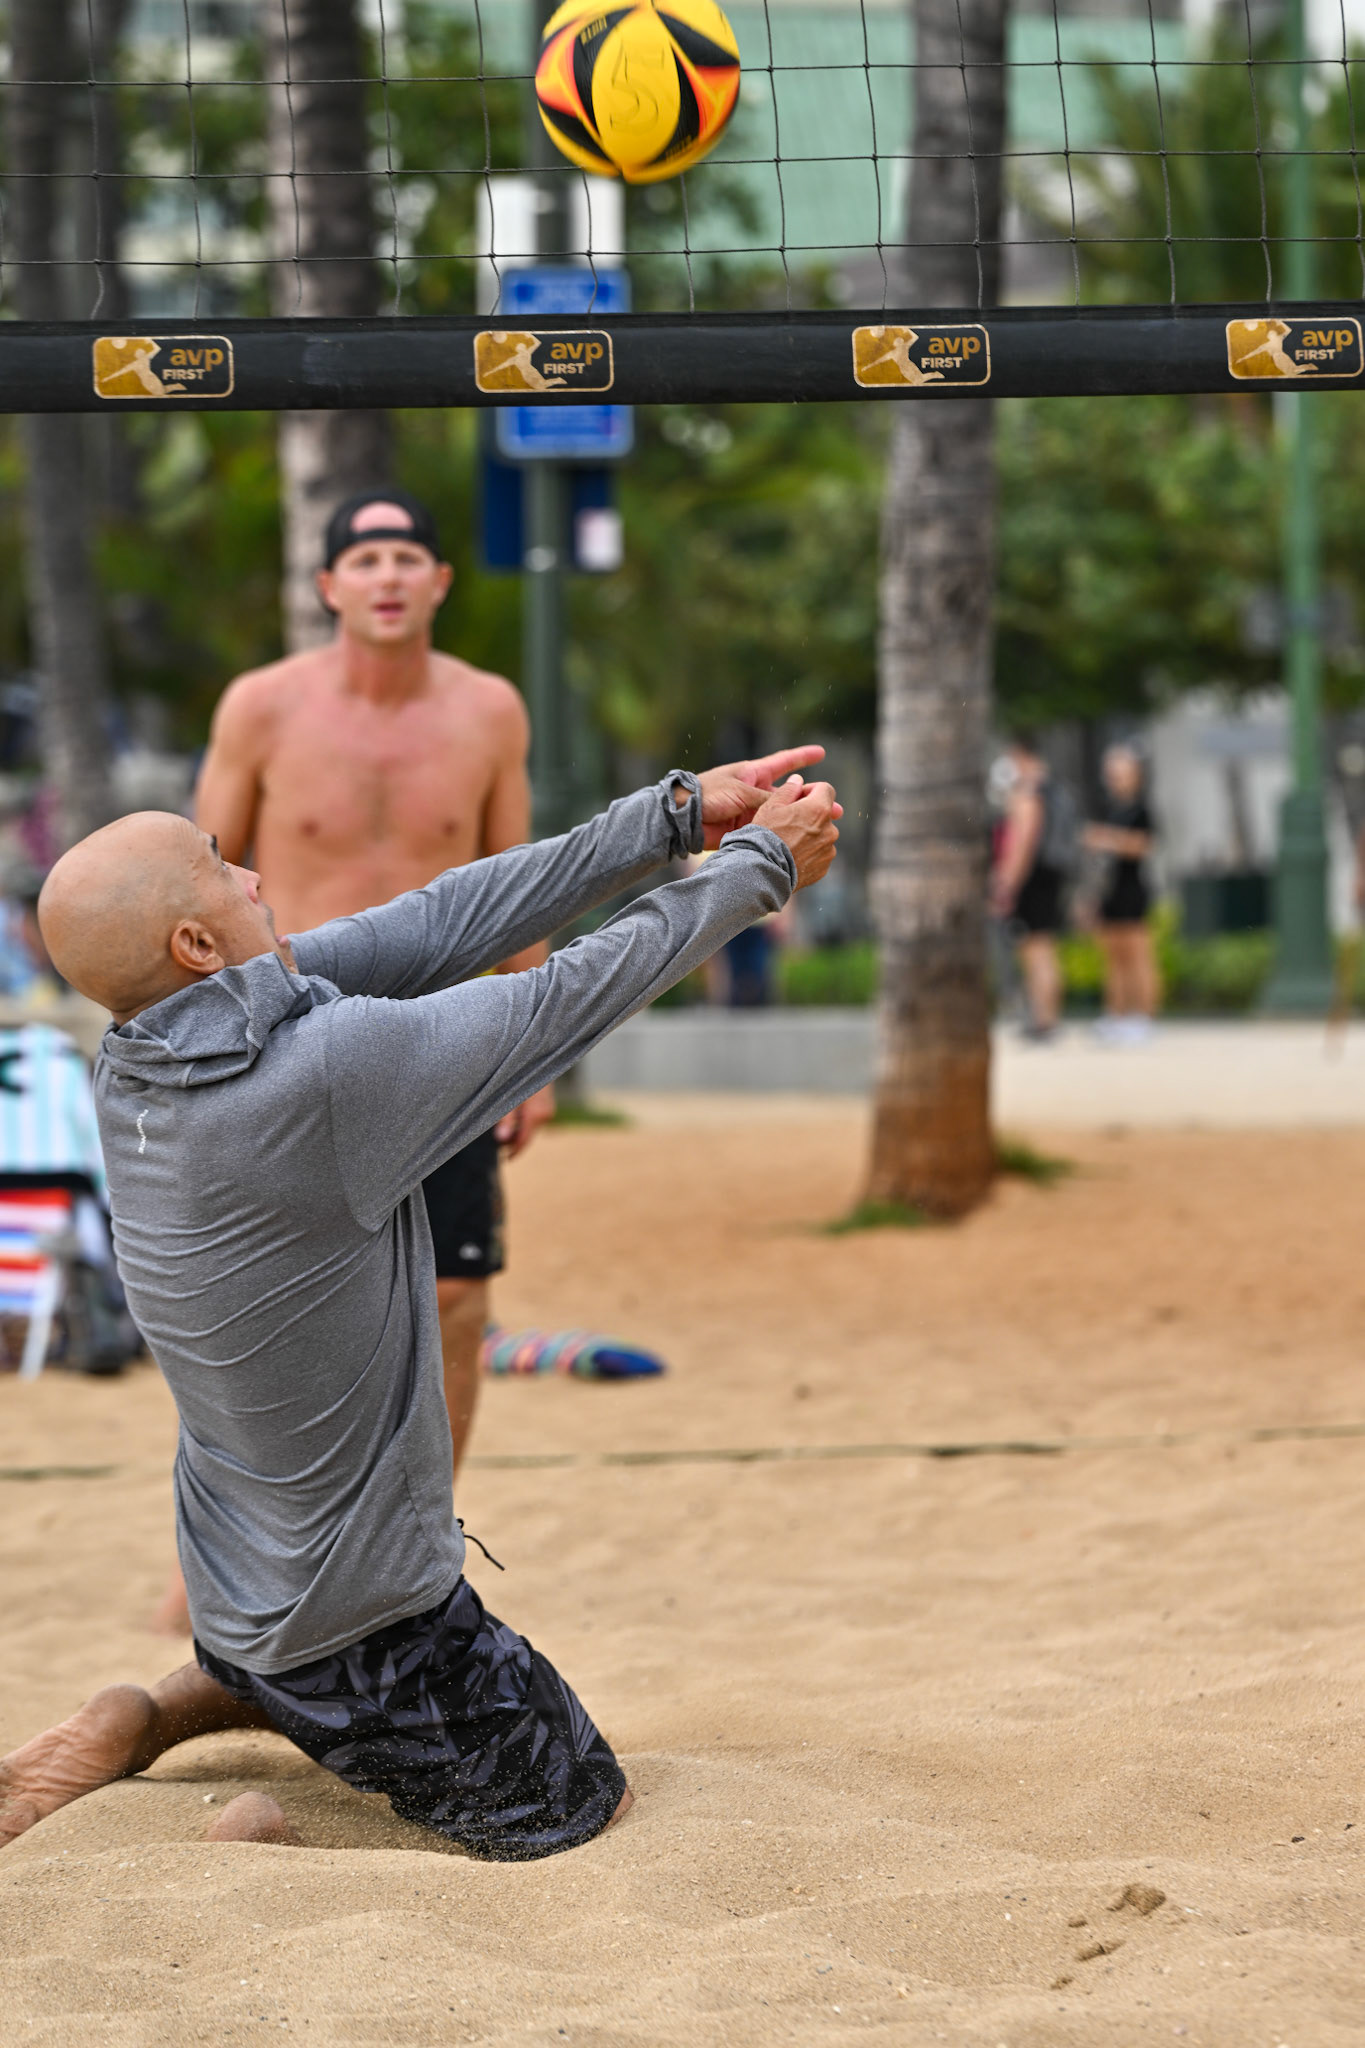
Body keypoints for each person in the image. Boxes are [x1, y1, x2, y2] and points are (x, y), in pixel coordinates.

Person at [0, 752, 840, 1860]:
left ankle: (151, 1715)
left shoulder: (142, 1054)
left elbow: (443, 921)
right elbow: (567, 996)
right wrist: (759, 868)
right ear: (197, 945)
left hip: (240, 1593)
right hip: (373, 1632)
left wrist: (671, 816)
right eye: (220, 866)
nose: (253, 874)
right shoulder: (319, 1077)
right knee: (576, 1809)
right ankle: (247, 1849)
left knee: (290, 1674)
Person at [195, 490, 550, 1488]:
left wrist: (536, 1060)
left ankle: (426, 1529)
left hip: (443, 1031)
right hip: (294, 1033)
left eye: (405, 558)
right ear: (328, 586)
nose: (387, 576)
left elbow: (518, 881)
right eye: (365, 559)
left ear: (439, 581)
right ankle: (267, 1527)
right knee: (277, 1298)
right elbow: (201, 876)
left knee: (455, 1295)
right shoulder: (261, 706)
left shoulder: (489, 709)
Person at [990, 733, 1076, 1041]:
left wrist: (1006, 884)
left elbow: (1022, 843)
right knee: (1044, 948)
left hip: (1032, 879)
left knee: (1035, 951)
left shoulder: (1028, 793)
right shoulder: (1055, 791)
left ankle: (1043, 1020)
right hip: (1050, 877)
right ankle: (1047, 1017)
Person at [1084, 743, 1160, 1043]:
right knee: (1113, 957)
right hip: (1108, 889)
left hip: (1132, 890)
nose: (1114, 779)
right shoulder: (1109, 809)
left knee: (1137, 955)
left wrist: (1106, 839)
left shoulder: (1141, 810)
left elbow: (1144, 846)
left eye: (1121, 773)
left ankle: (1144, 1016)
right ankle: (1116, 1014)